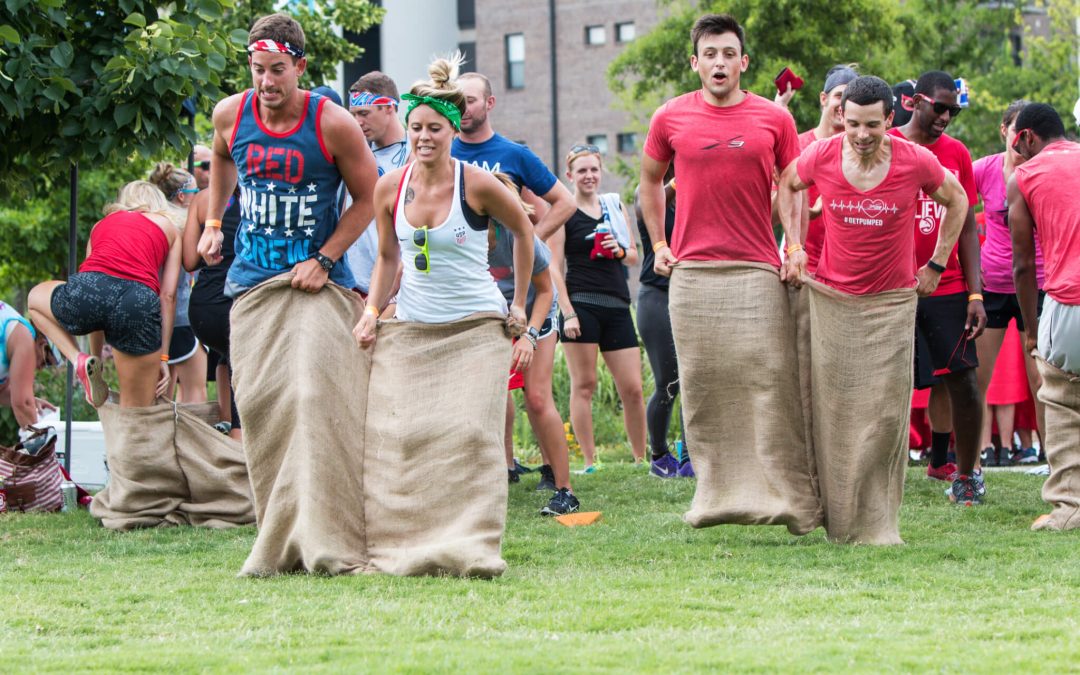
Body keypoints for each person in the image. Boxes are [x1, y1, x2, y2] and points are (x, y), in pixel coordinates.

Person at [640, 14, 820, 534]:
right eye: (710, 54)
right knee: (701, 385)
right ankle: (716, 495)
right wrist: (658, 243)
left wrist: (795, 247)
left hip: (758, 269)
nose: (719, 63)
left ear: (744, 62)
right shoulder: (670, 117)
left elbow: (792, 183)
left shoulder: (773, 118)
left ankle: (783, 494)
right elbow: (649, 181)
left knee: (770, 378)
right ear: (695, 63)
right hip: (693, 273)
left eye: (728, 54)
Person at [778, 76, 970, 530]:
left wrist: (938, 264)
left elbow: (957, 200)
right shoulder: (822, 155)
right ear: (841, 118)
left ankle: (876, 516)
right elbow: (788, 184)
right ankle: (832, 507)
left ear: (890, 119)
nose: (862, 135)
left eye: (872, 125)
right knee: (833, 411)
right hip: (834, 302)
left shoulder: (914, 160)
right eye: (853, 125)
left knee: (885, 418)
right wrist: (795, 246)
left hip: (891, 305)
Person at [888, 70, 986, 494]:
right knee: (883, 384)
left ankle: (961, 473)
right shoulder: (885, 142)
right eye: (941, 107)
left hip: (946, 286)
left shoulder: (957, 153)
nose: (947, 116)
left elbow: (966, 225)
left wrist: (975, 292)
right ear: (914, 102)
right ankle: (875, 474)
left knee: (961, 380)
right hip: (890, 286)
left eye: (954, 110)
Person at [28, 181, 182, 408]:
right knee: (136, 409)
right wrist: (164, 357)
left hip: (89, 289)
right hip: (138, 301)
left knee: (34, 298)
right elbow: (168, 296)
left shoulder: (101, 225)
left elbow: (98, 296)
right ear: (159, 203)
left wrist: (96, 358)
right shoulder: (169, 227)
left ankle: (78, 359)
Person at [1007, 102, 1080, 530]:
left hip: (1068, 299)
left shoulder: (1026, 177)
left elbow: (1022, 265)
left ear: (1028, 137)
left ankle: (1069, 507)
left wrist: (1031, 330)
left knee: (1062, 401)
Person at [488, 172, 579, 514]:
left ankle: (565, 490)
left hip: (536, 311)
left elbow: (546, 291)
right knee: (488, 399)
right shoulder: (463, 231)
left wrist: (528, 335)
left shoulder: (519, 235)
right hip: (493, 316)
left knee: (537, 398)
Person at [554, 144, 646, 471]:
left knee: (633, 388)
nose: (589, 176)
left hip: (618, 304)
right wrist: (567, 313)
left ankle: (639, 459)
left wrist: (618, 250)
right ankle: (591, 461)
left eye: (594, 169)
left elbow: (634, 256)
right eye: (582, 171)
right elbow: (553, 266)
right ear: (570, 175)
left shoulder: (614, 204)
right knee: (585, 385)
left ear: (600, 171)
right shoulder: (563, 209)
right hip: (582, 304)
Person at [972, 100, 1046, 465]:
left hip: (1040, 285)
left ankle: (1054, 464)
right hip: (994, 287)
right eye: (1018, 131)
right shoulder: (984, 169)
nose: (1023, 140)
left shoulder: (1044, 172)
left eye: (1029, 134)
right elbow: (952, 206)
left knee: (1043, 383)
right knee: (977, 381)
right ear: (1005, 130)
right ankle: (969, 467)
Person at [452, 71, 575, 241]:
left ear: (490, 103)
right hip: (455, 261)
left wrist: (531, 242)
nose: (463, 108)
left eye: (470, 101)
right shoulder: (444, 152)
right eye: (457, 101)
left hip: (502, 265)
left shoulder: (515, 154)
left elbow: (566, 202)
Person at [634, 170, 692, 478]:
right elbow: (646, 206)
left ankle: (690, 454)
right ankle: (659, 455)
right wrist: (681, 178)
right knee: (668, 381)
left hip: (691, 293)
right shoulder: (648, 190)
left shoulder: (695, 196)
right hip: (655, 295)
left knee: (693, 378)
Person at [184, 180, 243, 439]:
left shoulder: (202, 199)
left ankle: (225, 423)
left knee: (226, 357)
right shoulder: (263, 194)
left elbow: (189, 260)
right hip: (240, 304)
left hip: (204, 307)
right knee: (241, 369)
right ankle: (237, 441)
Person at [344, 71, 410, 298]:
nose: (357, 122)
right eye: (353, 114)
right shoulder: (352, 151)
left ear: (390, 107)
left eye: (364, 113)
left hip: (402, 286)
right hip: (352, 284)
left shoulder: (416, 153)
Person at [148, 162, 208, 404]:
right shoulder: (184, 227)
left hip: (154, 317)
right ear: (183, 196)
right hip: (181, 316)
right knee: (196, 393)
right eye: (197, 192)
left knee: (162, 395)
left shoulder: (152, 224)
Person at [797, 65, 858, 273]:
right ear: (824, 98)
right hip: (804, 267)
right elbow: (774, 206)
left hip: (847, 273)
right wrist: (808, 212)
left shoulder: (864, 152)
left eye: (851, 99)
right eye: (839, 96)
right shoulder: (797, 145)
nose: (844, 105)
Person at [0, 301, 58, 429]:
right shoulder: (25, 338)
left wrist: (31, 399)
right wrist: (41, 443)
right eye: (45, 362)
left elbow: (1, 392)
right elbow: (22, 404)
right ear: (42, 344)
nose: (40, 368)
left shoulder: (13, 336)